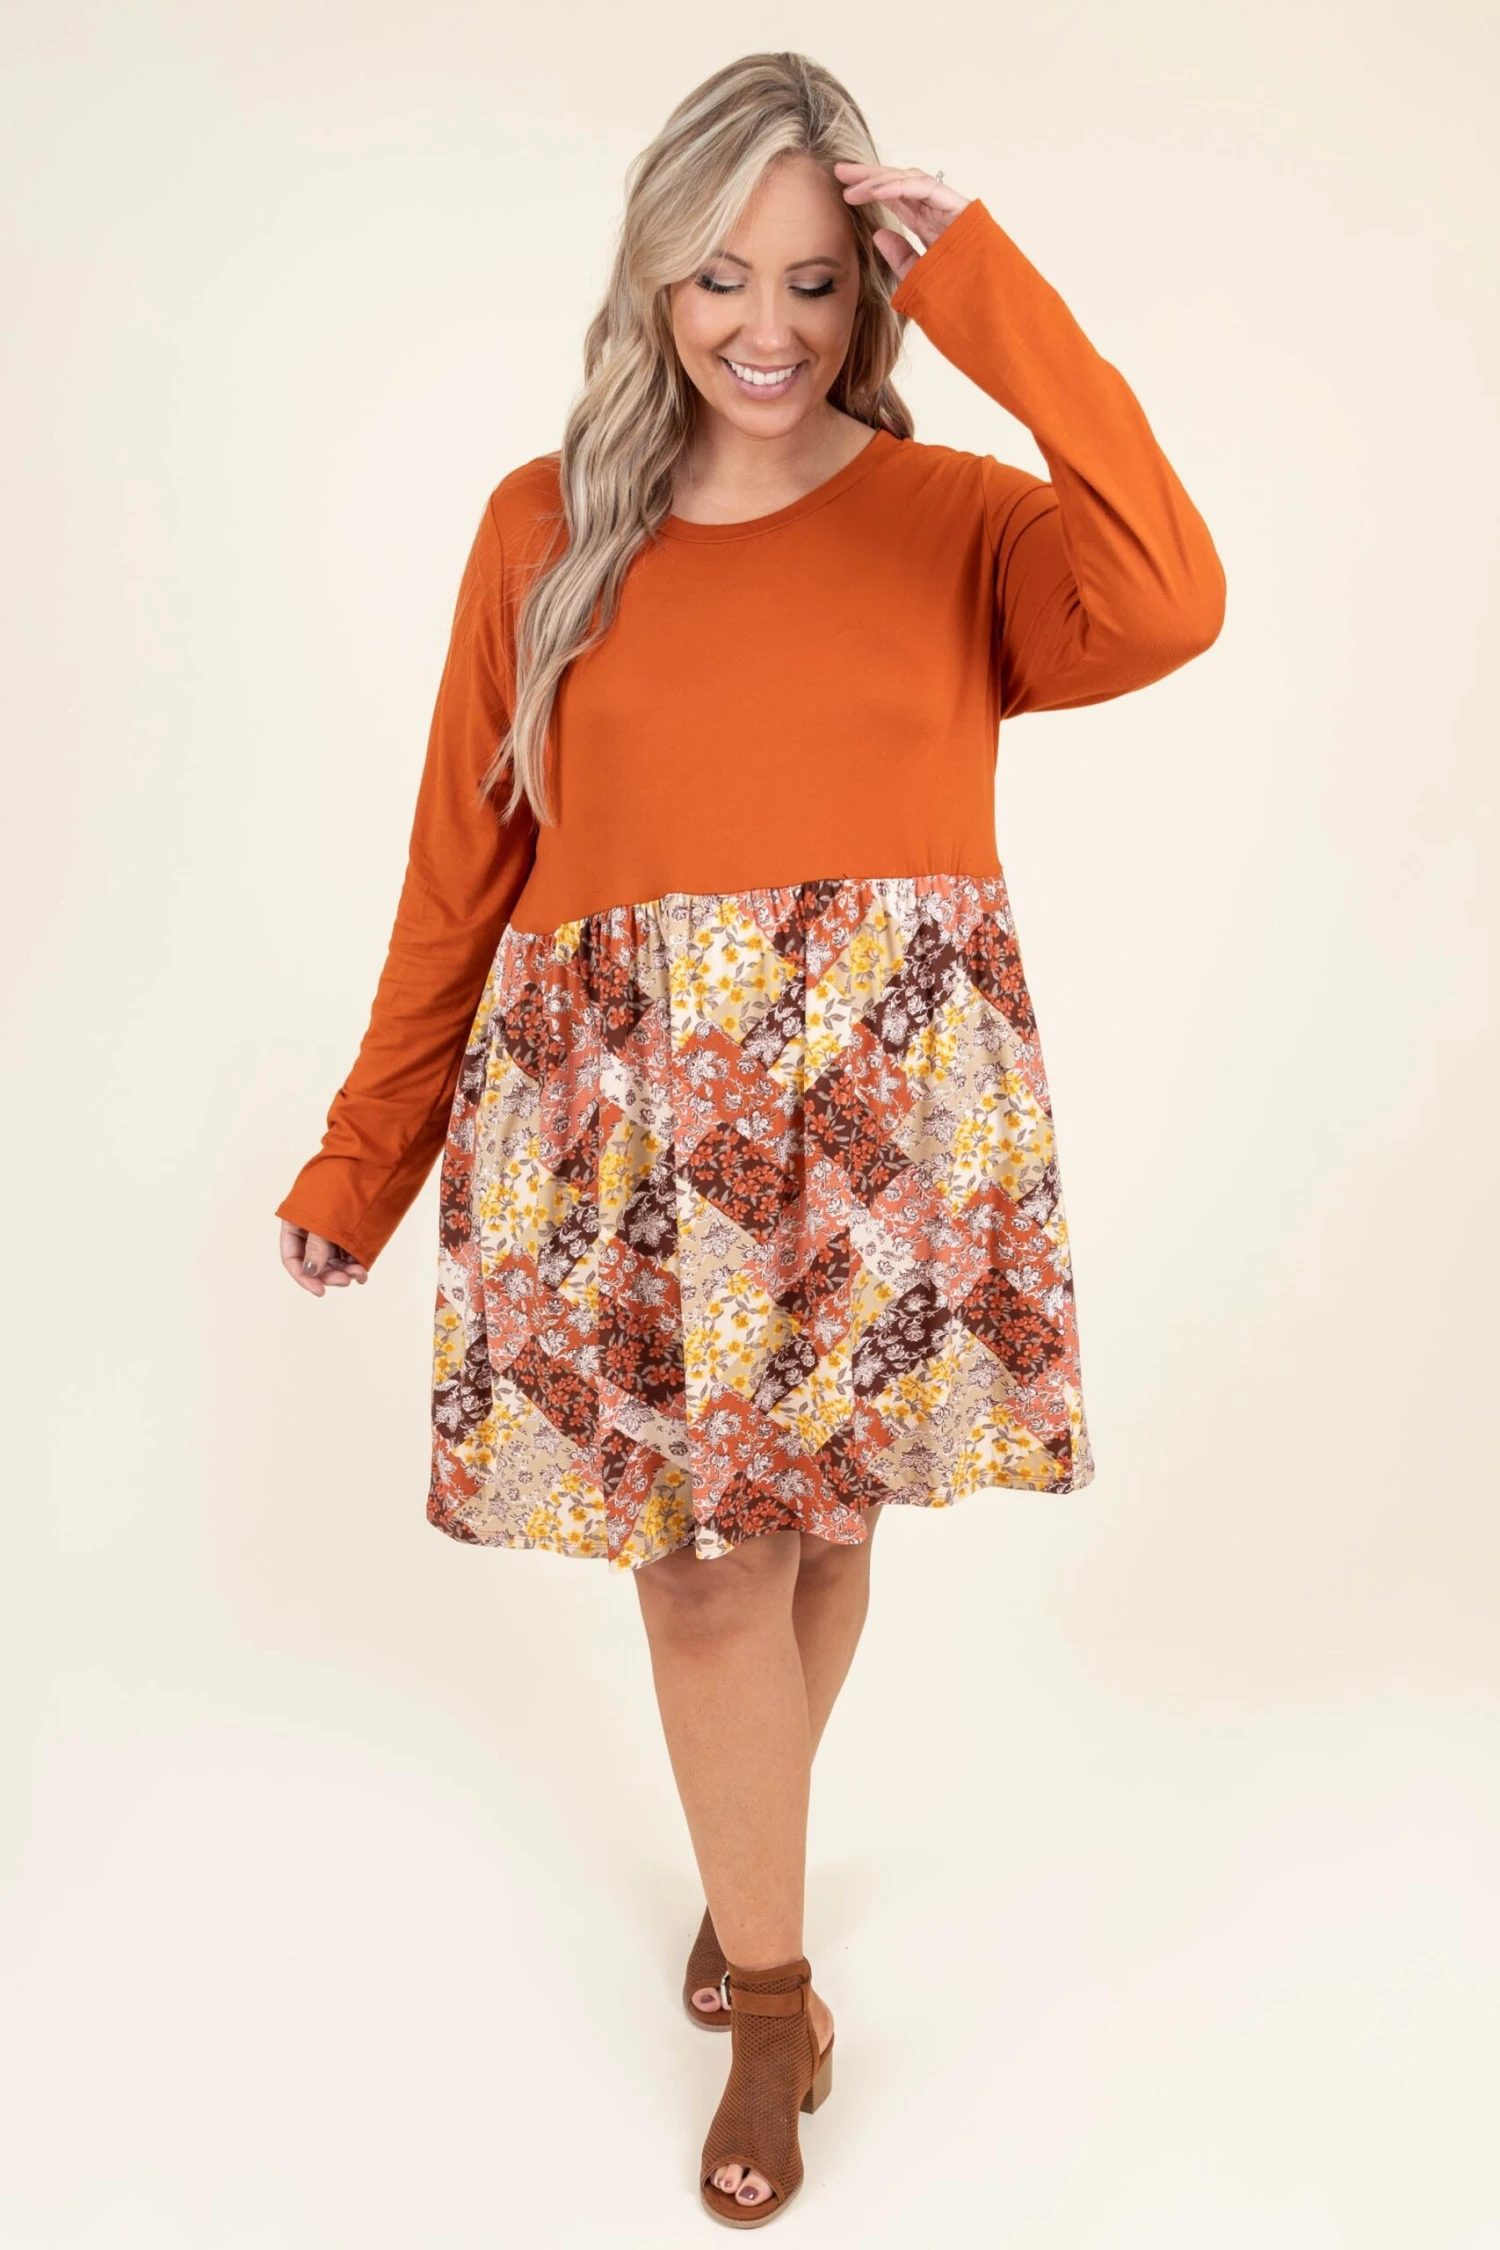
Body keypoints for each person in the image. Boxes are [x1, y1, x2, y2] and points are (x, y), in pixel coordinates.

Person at [274, 49, 1225, 2227]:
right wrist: (363, 1155)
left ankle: (744, 1875)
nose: (769, 327)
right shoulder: (542, 530)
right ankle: (776, 2006)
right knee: (708, 1577)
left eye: (815, 278)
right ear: (655, 275)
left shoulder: (964, 524)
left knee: (827, 1543)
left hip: (882, 1122)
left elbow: (1175, 592)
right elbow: (460, 872)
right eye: (722, 276)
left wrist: (985, 283)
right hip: (626, 1131)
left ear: (870, 290)